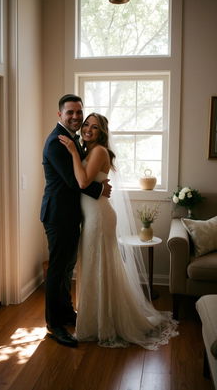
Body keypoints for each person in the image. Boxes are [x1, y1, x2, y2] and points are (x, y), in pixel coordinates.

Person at [59, 112, 178, 349]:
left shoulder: (98, 151)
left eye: (94, 127)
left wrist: (72, 151)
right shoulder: (88, 150)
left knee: (98, 265)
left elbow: (82, 182)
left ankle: (104, 323)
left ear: (102, 132)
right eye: (86, 125)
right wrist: (79, 156)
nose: (88, 130)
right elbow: (85, 182)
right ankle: (96, 319)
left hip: (99, 217)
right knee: (95, 265)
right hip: (91, 215)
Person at [40, 95, 112, 348]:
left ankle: (67, 313)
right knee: (58, 270)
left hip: (72, 215)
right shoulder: (56, 142)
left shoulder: (74, 139)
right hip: (58, 215)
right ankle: (54, 325)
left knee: (66, 268)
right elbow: (74, 182)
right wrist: (100, 189)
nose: (76, 117)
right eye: (70, 112)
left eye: (78, 112)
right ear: (59, 114)